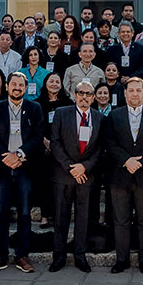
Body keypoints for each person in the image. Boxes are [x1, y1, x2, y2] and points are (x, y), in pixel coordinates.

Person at [0, 72, 45, 274]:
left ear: (26, 88)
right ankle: (0, 254)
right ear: (7, 86)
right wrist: (6, 156)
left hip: (24, 167)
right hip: (2, 167)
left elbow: (38, 136)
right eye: (14, 84)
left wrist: (19, 154)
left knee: (25, 213)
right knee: (0, 212)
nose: (17, 88)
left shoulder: (34, 108)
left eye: (21, 85)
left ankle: (22, 254)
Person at [106, 77, 143, 274]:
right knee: (121, 220)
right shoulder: (114, 116)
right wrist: (126, 160)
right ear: (125, 94)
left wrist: (140, 161)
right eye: (130, 90)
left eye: (138, 90)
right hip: (120, 176)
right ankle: (121, 260)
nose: (134, 94)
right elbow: (109, 142)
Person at [48, 79, 104, 273]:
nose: (84, 97)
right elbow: (55, 143)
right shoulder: (61, 114)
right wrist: (71, 167)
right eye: (81, 93)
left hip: (86, 176)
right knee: (61, 217)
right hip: (64, 175)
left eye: (88, 94)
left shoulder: (99, 118)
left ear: (94, 97)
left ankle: (80, 255)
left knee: (84, 218)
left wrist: (84, 167)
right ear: (74, 95)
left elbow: (99, 149)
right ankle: (59, 256)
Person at [36, 71, 71, 228]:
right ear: (45, 83)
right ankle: (44, 215)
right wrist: (45, 141)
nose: (54, 84)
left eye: (57, 82)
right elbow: (35, 126)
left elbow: (70, 127)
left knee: (60, 183)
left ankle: (58, 215)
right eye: (51, 81)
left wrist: (56, 144)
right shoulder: (37, 103)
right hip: (43, 149)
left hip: (62, 149)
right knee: (43, 182)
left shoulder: (68, 103)